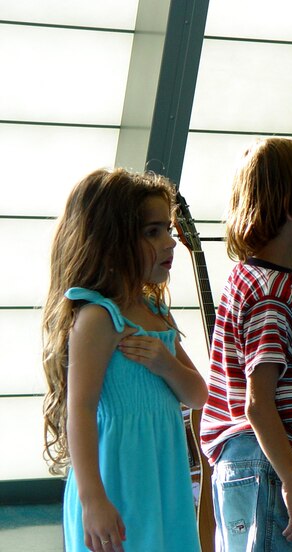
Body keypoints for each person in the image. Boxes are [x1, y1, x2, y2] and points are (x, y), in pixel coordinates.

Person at [42, 168, 208, 552]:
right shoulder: (99, 318)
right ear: (111, 242)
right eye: (152, 232)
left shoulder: (155, 312)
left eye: (168, 229)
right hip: (114, 478)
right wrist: (92, 500)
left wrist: (165, 364)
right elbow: (79, 410)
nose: (170, 242)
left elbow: (200, 395)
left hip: (162, 478)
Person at [199, 138, 292, 551]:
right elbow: (258, 403)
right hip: (271, 465)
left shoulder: (254, 277)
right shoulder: (271, 294)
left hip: (261, 462)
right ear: (290, 205)